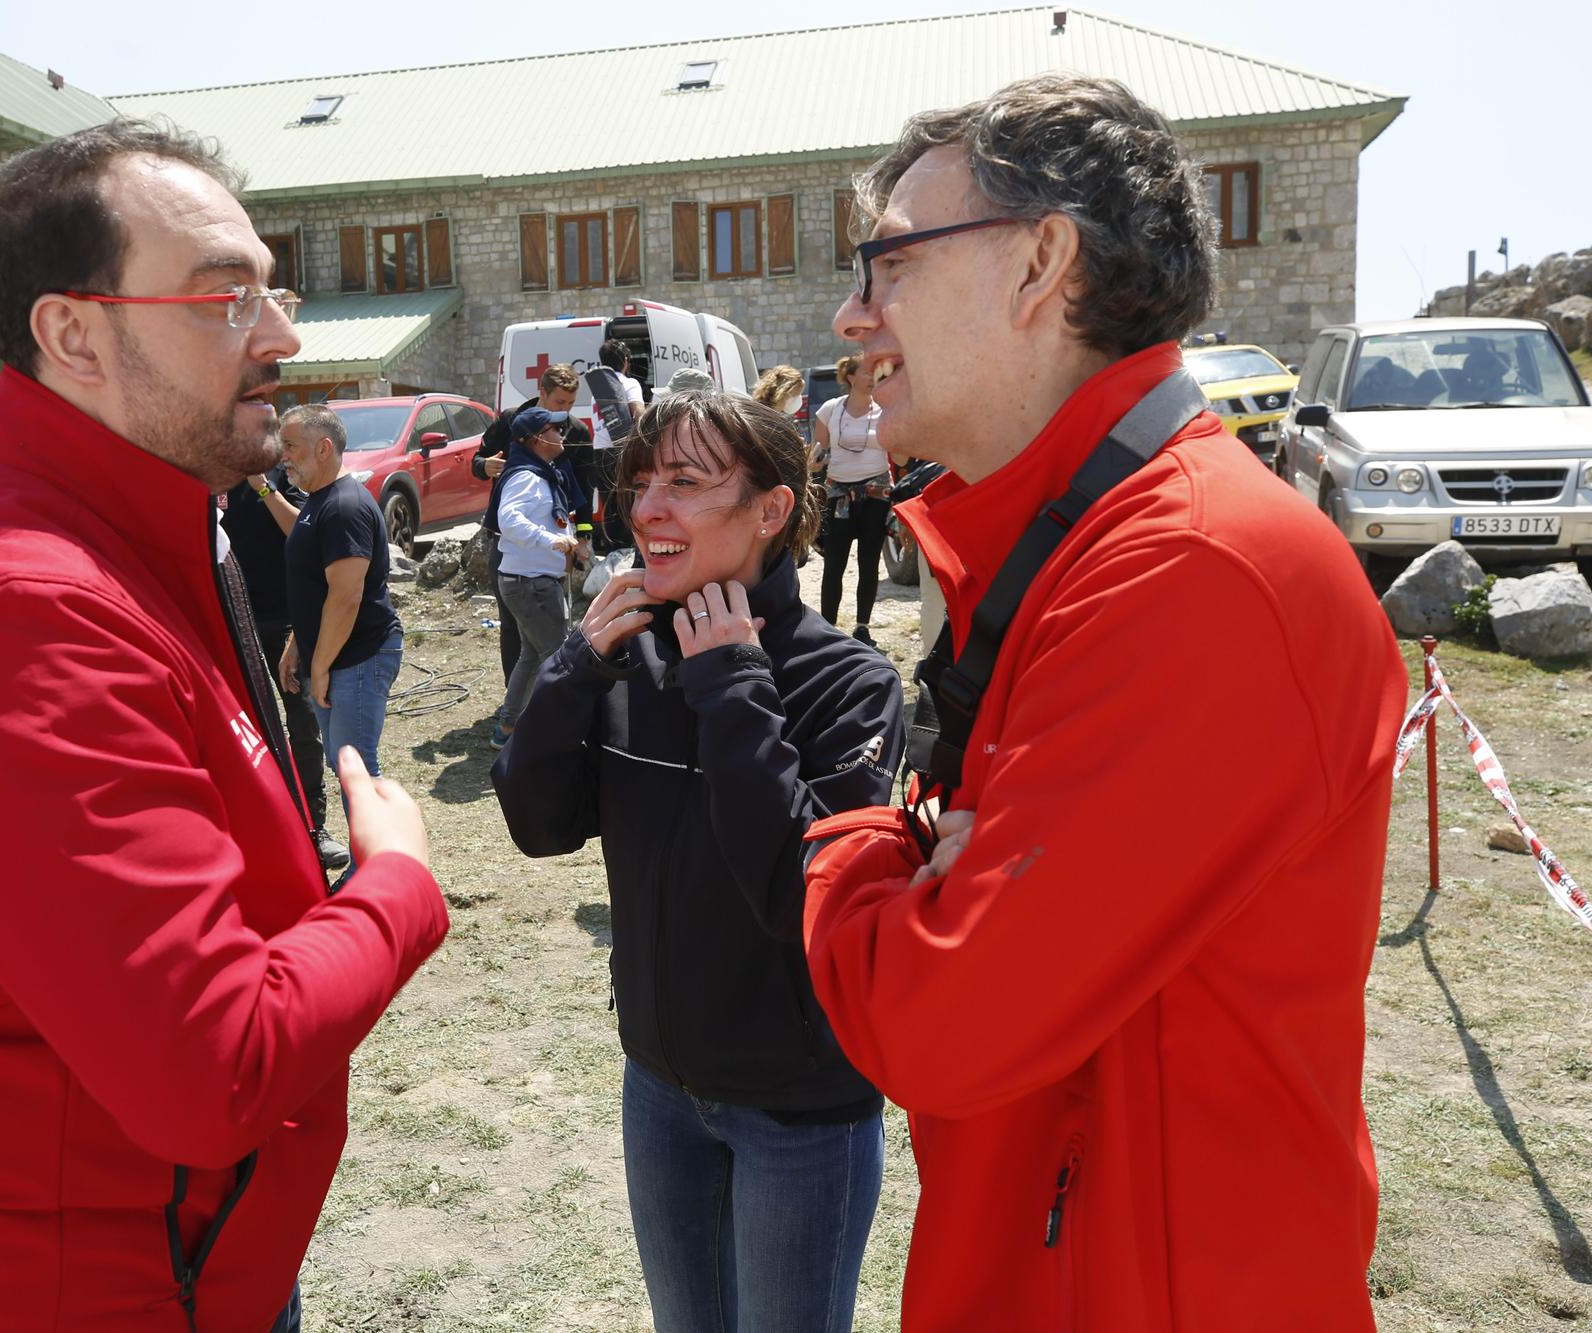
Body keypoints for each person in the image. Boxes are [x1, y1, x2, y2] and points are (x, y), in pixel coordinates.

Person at [0, 120, 447, 1332]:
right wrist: (397, 888)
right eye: (223, 298)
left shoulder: (134, 528)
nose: (281, 335)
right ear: (71, 333)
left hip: (184, 1254)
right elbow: (212, 1067)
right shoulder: (12, 616)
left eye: (272, 289)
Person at [800, 75, 1405, 1331]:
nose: (852, 314)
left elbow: (938, 1021)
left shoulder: (1189, 567)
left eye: (886, 261)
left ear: (1038, 262)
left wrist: (852, 846)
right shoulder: (1081, 538)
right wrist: (929, 866)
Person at [493, 390, 904, 1333]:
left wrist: (731, 685)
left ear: (770, 510)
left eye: (684, 482)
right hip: (661, 1090)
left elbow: (800, 898)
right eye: (641, 484)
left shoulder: (850, 682)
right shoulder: (632, 655)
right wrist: (573, 669)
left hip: (800, 1114)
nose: (645, 510)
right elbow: (535, 822)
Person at [277, 403, 405, 876]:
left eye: (290, 446)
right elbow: (311, 583)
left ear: (324, 448)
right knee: (343, 763)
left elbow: (346, 596)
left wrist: (320, 666)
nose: (283, 456)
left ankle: (371, 872)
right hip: (335, 656)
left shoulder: (345, 506)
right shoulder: (318, 501)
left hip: (359, 656)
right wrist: (299, 645)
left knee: (355, 768)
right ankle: (368, 866)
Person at [219, 463, 351, 870]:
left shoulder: (274, 476)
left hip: (284, 625)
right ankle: (261, 830)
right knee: (243, 732)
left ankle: (315, 827)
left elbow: (302, 533)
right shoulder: (201, 474)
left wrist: (261, 488)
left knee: (303, 722)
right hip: (228, 623)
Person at [472, 363, 591, 687]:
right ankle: (516, 695)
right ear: (542, 392)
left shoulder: (577, 433)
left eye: (570, 404)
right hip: (507, 538)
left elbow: (584, 489)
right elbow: (477, 461)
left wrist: (584, 536)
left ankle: (543, 694)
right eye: (558, 403)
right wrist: (486, 466)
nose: (564, 412)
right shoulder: (512, 420)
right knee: (513, 623)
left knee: (554, 621)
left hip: (554, 543)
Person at [487, 406, 588, 750]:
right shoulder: (526, 477)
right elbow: (508, 520)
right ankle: (558, 732)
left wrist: (574, 543)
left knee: (531, 657)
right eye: (554, 430)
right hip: (530, 583)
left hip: (530, 581)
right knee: (558, 657)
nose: (561, 435)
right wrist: (552, 541)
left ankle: (508, 728)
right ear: (535, 440)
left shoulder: (541, 473)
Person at [812, 353, 889, 645]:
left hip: (876, 491)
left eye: (875, 374)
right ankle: (828, 627)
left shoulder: (885, 410)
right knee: (834, 563)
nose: (872, 378)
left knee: (870, 562)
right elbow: (818, 453)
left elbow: (899, 451)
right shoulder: (831, 410)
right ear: (851, 377)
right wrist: (816, 462)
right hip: (840, 492)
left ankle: (862, 627)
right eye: (866, 373)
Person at [580, 339, 647, 546]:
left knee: (609, 505)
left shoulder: (598, 390)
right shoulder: (629, 383)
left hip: (600, 452)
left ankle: (613, 551)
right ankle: (629, 551)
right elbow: (639, 413)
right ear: (626, 361)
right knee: (628, 502)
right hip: (621, 450)